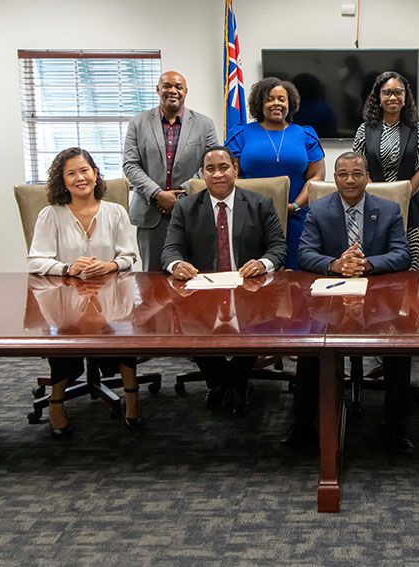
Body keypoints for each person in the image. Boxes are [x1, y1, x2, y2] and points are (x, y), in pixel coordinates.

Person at [286, 151, 414, 453]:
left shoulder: (389, 209)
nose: (350, 180)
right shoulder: (319, 209)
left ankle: (394, 427)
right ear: (335, 178)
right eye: (342, 174)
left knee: (400, 346)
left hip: (378, 299)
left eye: (357, 173)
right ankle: (302, 425)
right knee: (310, 347)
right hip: (330, 299)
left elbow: (402, 254)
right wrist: (336, 264)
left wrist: (366, 264)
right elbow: (305, 254)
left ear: (368, 177)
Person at [162, 146, 287, 417]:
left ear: (235, 170)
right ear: (202, 174)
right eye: (210, 169)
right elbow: (170, 250)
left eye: (223, 167)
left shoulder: (260, 204)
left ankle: (238, 384)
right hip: (203, 290)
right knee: (194, 324)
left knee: (253, 321)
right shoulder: (185, 207)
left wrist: (262, 263)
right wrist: (177, 264)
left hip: (250, 289)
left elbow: (278, 247)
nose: (217, 174)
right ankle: (218, 383)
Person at [27, 147, 141, 437]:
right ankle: (56, 403)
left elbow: (129, 256)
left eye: (84, 170)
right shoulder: (51, 215)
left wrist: (109, 265)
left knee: (123, 332)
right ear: (62, 181)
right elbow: (36, 260)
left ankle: (132, 397)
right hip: (67, 296)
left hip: (110, 293)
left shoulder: (115, 212)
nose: (80, 178)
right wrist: (68, 268)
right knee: (64, 337)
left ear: (95, 174)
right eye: (71, 173)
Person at [225, 77, 325, 269]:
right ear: (259, 103)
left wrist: (295, 206)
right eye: (269, 99)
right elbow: (232, 175)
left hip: (295, 217)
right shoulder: (241, 134)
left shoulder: (305, 135)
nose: (276, 103)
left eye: (281, 99)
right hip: (250, 218)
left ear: (290, 103)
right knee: (253, 272)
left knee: (296, 275)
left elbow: (317, 176)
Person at [123, 70, 218, 271]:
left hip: (192, 211)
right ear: (158, 89)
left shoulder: (205, 124)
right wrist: (157, 194)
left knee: (193, 274)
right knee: (153, 278)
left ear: (186, 91)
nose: (172, 90)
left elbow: (210, 166)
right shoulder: (138, 123)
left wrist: (181, 195)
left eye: (178, 87)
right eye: (167, 86)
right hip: (150, 213)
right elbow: (130, 165)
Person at [352, 71, 419, 271]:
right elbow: (358, 168)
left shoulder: (417, 129)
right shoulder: (365, 129)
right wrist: (381, 198)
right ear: (378, 97)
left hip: (409, 209)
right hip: (372, 208)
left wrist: (401, 198)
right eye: (387, 92)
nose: (393, 97)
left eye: (398, 92)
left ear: (405, 97)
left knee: (410, 267)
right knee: (374, 265)